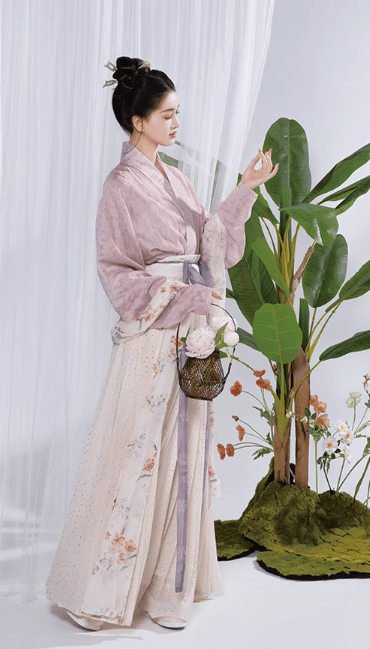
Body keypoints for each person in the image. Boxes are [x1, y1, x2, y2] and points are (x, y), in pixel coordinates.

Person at [46, 56, 278, 631]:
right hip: (154, 336)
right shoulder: (121, 186)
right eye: (167, 114)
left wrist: (246, 189)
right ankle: (102, 591)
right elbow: (115, 270)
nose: (177, 122)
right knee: (138, 452)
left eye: (178, 113)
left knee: (185, 454)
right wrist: (179, 295)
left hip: (191, 332)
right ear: (138, 120)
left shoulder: (176, 180)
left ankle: (169, 591)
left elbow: (213, 243)